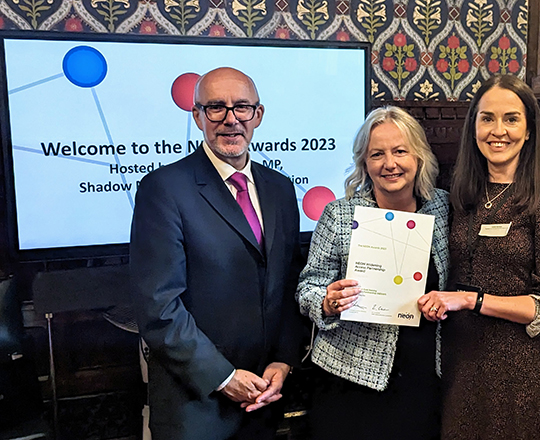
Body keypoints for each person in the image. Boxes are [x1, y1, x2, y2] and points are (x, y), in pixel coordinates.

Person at [130, 67, 303, 440]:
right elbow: (159, 308)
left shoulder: (281, 189)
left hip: (263, 398)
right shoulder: (163, 189)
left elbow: (289, 282)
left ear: (258, 115)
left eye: (242, 107)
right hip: (196, 404)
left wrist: (284, 359)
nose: (230, 119)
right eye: (215, 108)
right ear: (197, 116)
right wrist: (223, 377)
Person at [417, 75, 540, 440]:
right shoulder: (458, 196)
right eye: (487, 118)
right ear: (473, 126)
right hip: (459, 362)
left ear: (529, 131)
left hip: (519, 371)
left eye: (511, 119)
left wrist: (472, 301)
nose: (498, 130)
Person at [296, 106, 449, 440]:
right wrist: (327, 301)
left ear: (419, 156)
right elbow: (308, 285)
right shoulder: (339, 214)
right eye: (377, 154)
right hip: (349, 378)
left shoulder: (444, 208)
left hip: (423, 376)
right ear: (364, 162)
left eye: (399, 151)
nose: (389, 164)